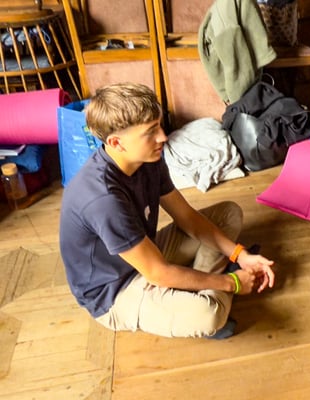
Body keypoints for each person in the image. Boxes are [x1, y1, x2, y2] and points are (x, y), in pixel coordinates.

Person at [59, 83, 275, 339]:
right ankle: (211, 288)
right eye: (150, 132)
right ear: (116, 142)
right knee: (208, 315)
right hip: (116, 291)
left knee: (229, 213)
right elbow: (157, 272)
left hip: (148, 254)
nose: (163, 137)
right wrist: (233, 283)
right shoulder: (102, 198)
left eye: (159, 125)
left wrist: (240, 255)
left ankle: (201, 286)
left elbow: (188, 218)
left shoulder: (147, 160)